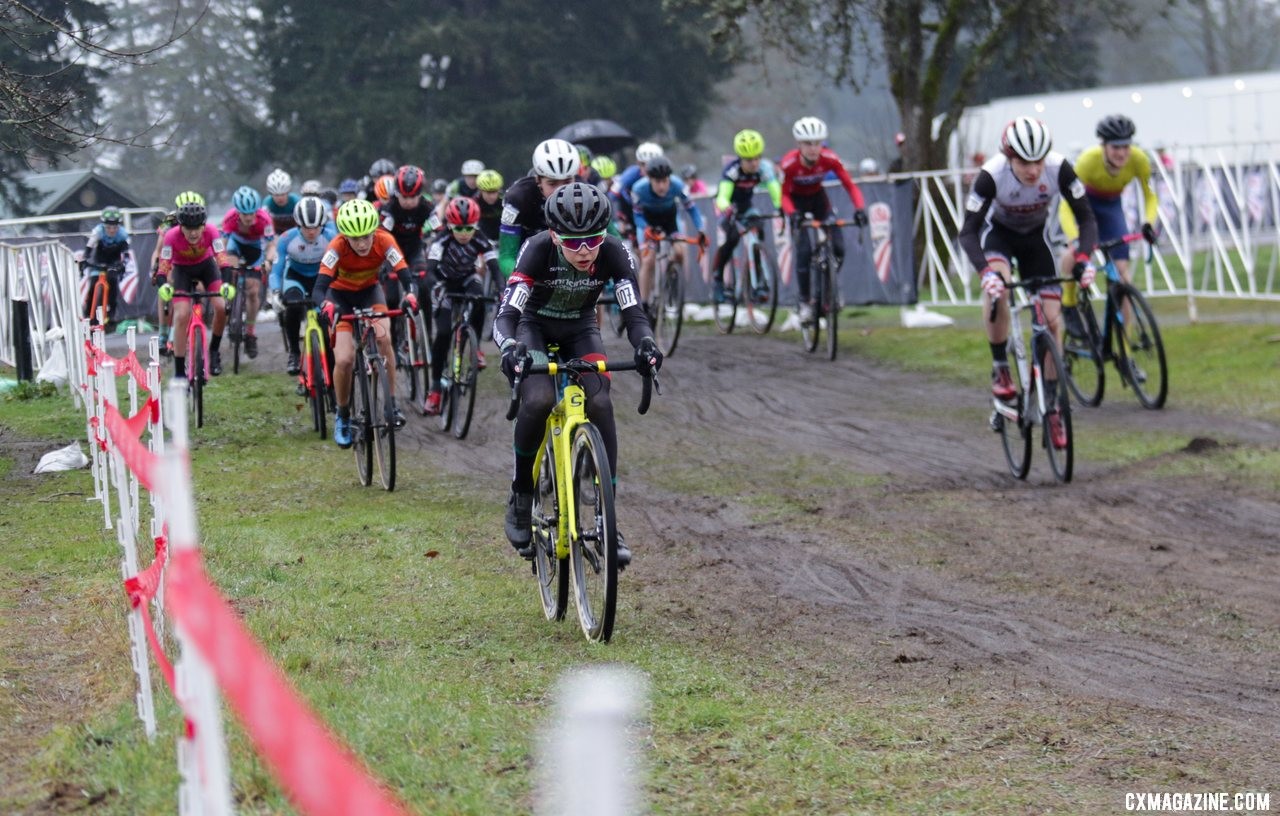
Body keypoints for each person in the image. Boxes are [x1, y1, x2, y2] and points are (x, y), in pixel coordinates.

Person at [494, 182, 661, 568]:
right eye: (573, 243)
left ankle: (607, 519)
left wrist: (646, 343)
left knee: (600, 401)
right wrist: (508, 349)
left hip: (580, 327)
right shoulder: (536, 249)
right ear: (555, 234)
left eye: (593, 240)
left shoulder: (615, 252)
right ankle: (521, 494)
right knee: (537, 400)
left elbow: (633, 312)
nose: (585, 251)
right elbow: (507, 315)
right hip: (531, 326)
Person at [957, 116, 1098, 450]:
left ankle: (1052, 409)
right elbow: (968, 232)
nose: (1033, 170)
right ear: (1009, 157)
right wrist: (986, 274)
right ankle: (1001, 367)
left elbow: (1086, 218)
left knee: (1052, 322)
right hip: (999, 239)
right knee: (999, 291)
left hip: (1036, 241)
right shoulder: (991, 176)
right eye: (1023, 162)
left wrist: (1083, 260)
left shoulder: (1060, 168)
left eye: (1037, 161)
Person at [313, 199, 416, 446]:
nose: (361, 243)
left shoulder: (385, 241)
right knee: (345, 359)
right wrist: (325, 305)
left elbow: (406, 277)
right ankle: (343, 414)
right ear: (344, 236)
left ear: (374, 231)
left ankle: (391, 404)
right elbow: (318, 289)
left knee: (384, 339)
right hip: (338, 298)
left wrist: (411, 294)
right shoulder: (336, 247)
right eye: (354, 238)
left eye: (365, 237)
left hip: (370, 292)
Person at [1057, 114, 1160, 338]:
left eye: (1126, 146)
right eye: (1115, 147)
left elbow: (1151, 196)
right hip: (1084, 207)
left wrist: (1148, 224)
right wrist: (1075, 237)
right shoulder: (1087, 161)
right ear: (1103, 146)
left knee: (1123, 279)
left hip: (1112, 208)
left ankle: (1125, 350)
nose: (1122, 153)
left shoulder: (1139, 159)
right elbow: (1065, 206)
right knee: (1073, 254)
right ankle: (1069, 303)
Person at [779, 116, 867, 323]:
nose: (813, 148)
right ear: (799, 144)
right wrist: (792, 213)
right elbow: (782, 195)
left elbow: (850, 186)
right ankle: (804, 302)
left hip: (819, 201)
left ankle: (829, 291)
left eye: (817, 143)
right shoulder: (789, 164)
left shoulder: (830, 159)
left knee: (838, 247)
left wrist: (860, 209)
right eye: (808, 144)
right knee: (803, 251)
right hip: (796, 203)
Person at [422, 197, 498, 414]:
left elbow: (493, 266)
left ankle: (476, 348)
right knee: (444, 333)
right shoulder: (441, 240)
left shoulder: (480, 238)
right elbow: (429, 271)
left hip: (466, 279)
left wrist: (502, 289)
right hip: (444, 282)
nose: (464, 233)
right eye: (459, 228)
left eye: (469, 228)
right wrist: (436, 286)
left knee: (480, 299)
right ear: (449, 226)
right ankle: (435, 388)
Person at [154, 200, 235, 381]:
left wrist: (227, 284)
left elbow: (223, 261)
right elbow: (163, 270)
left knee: (221, 307)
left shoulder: (212, 232)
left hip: (206, 267)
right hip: (182, 271)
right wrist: (164, 286)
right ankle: (179, 371)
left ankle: (214, 352)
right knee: (181, 315)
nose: (193, 232)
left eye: (197, 227)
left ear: (204, 225)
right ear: (180, 226)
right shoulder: (171, 237)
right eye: (188, 228)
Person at [710, 128, 783, 304]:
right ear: (741, 158)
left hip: (746, 207)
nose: (754, 163)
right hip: (728, 207)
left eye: (758, 157)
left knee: (758, 229)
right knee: (733, 237)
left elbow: (775, 190)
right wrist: (726, 208)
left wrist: (780, 207)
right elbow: (722, 197)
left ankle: (759, 280)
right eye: (750, 160)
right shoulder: (732, 171)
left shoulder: (764, 169)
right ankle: (718, 278)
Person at [269, 196, 337, 374]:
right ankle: (294, 352)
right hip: (295, 279)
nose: (312, 232)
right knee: (292, 308)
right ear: (298, 225)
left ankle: (331, 364)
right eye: (307, 227)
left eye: (316, 227)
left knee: (324, 321)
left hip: (320, 279)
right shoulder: (286, 239)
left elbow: (341, 267)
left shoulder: (331, 237)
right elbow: (277, 270)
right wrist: (275, 292)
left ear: (322, 224)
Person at [498, 137, 580, 279]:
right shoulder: (518, 198)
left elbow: (614, 239)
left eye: (567, 182)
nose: (561, 190)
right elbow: (506, 256)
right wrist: (521, 278)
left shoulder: (587, 194)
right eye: (552, 183)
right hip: (526, 259)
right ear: (538, 180)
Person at [629, 155, 706, 304]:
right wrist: (646, 228)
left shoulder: (677, 185)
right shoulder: (639, 189)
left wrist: (700, 229)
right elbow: (637, 217)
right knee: (648, 259)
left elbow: (692, 209)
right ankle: (643, 304)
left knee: (680, 251)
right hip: (647, 223)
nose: (662, 186)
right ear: (649, 179)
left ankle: (671, 277)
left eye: (665, 181)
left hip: (669, 221)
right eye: (657, 181)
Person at [220, 185, 274, 358]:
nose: (249, 218)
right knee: (231, 270)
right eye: (245, 214)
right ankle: (230, 308)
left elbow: (271, 246)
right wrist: (222, 263)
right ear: (238, 212)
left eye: (252, 213)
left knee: (253, 291)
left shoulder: (264, 219)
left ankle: (250, 332)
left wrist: (268, 261)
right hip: (236, 245)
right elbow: (222, 244)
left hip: (254, 249)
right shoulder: (230, 218)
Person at [80, 206, 132, 326]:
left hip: (114, 260)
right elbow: (88, 248)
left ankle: (112, 311)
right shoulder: (97, 231)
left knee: (113, 281)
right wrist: (84, 260)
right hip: (99, 259)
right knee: (93, 284)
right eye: (108, 227)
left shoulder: (123, 234)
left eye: (115, 227)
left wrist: (123, 264)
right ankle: (88, 313)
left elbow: (126, 254)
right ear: (104, 225)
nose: (112, 230)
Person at [610, 141, 663, 242]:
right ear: (638, 164)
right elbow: (613, 195)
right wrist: (618, 219)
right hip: (630, 210)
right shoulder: (630, 175)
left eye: (651, 165)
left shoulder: (663, 176)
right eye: (643, 164)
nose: (647, 169)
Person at [262, 168, 300, 237]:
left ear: (288, 192)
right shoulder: (267, 203)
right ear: (271, 194)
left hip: (294, 232)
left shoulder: (296, 201)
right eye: (276, 195)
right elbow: (265, 225)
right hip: (275, 234)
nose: (280, 198)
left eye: (283, 194)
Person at [473, 168, 505, 243]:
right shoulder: (475, 202)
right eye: (488, 192)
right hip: (482, 236)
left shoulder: (505, 200)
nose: (492, 196)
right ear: (480, 190)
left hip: (502, 235)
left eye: (494, 192)